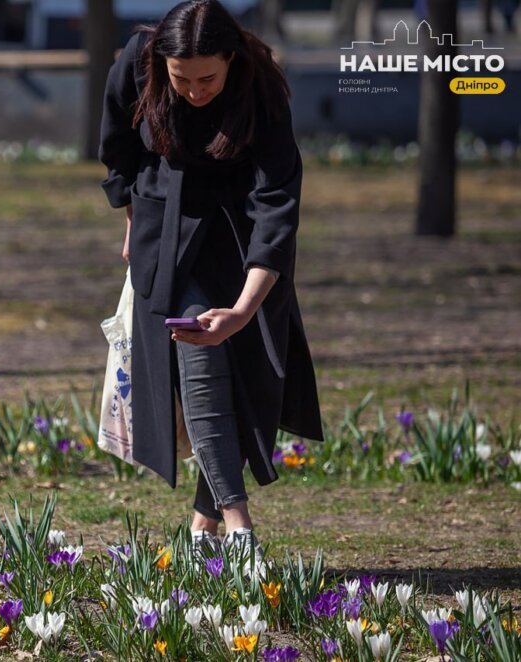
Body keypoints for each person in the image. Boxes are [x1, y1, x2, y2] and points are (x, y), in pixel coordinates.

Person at [98, 0, 324, 578]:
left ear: (231, 60)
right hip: (165, 232)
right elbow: (117, 149)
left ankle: (202, 527)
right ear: (162, 64)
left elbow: (277, 203)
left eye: (207, 78)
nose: (195, 90)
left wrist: (249, 308)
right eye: (181, 79)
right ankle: (238, 524)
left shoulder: (262, 90)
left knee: (243, 378)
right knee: (199, 352)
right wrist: (129, 219)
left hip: (243, 242)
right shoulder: (137, 61)